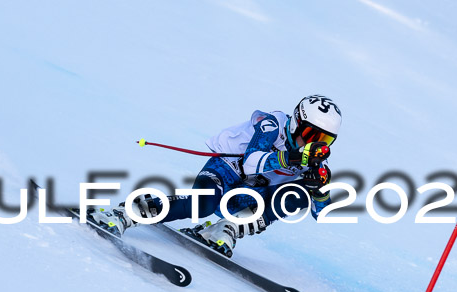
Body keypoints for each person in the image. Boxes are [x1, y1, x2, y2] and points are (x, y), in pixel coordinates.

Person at [90, 95, 342, 256]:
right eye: (312, 135)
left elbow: (320, 213)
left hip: (250, 196)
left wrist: (319, 189)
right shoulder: (273, 124)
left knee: (298, 193)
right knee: (203, 203)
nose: (317, 144)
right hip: (226, 172)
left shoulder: (316, 157)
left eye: (326, 140)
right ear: (297, 122)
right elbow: (253, 161)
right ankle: (126, 213)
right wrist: (291, 158)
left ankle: (228, 227)